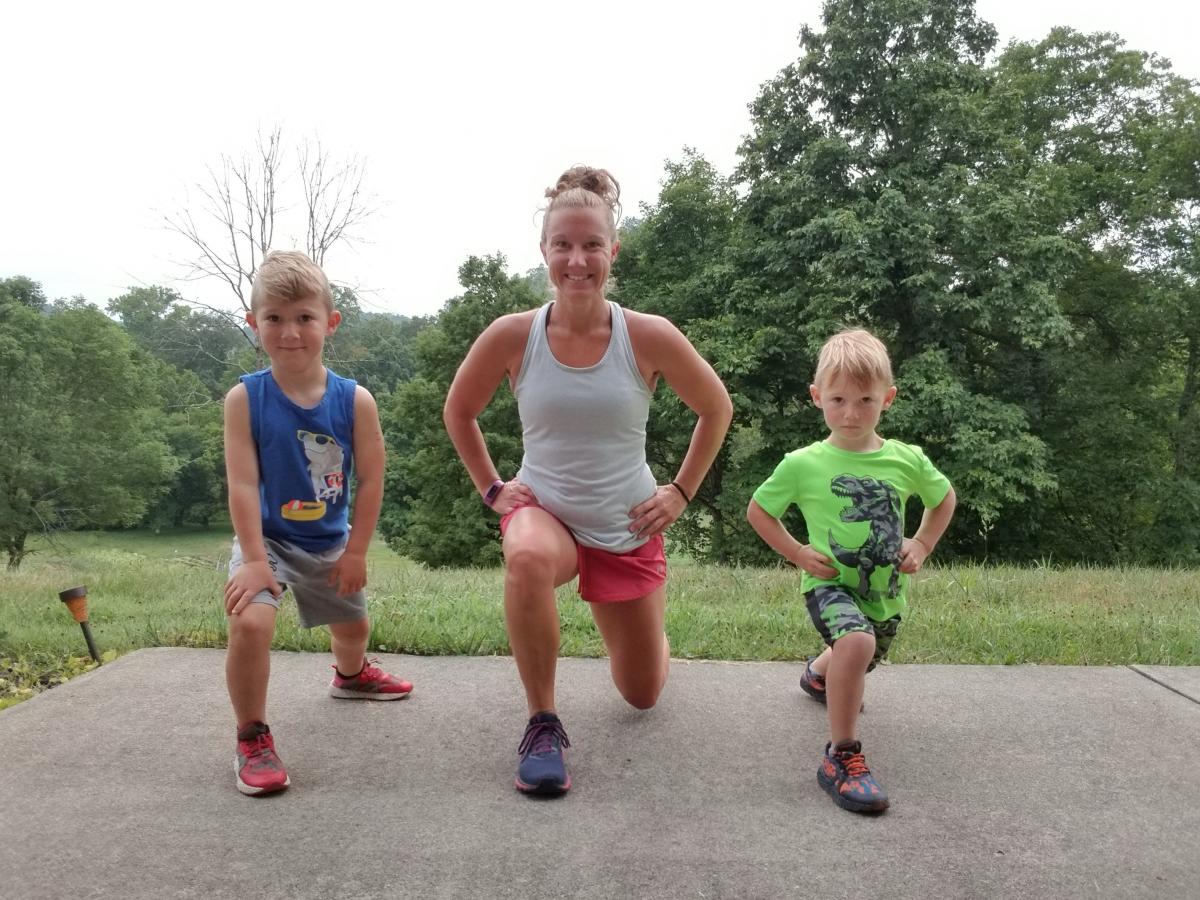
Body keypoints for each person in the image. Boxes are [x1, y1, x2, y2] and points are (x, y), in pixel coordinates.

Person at [443, 166, 732, 796]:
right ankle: (542, 723)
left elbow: (717, 408)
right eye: (563, 246)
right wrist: (494, 489)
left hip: (626, 525)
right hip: (545, 514)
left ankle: (651, 635)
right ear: (544, 252)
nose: (577, 260)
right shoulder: (514, 335)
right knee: (522, 557)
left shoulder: (647, 336)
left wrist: (679, 492)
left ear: (612, 250)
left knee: (642, 695)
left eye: (591, 245)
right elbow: (457, 411)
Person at [222, 250, 412, 796]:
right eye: (274, 318)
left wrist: (355, 552)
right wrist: (255, 561)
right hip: (269, 541)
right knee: (251, 623)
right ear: (253, 322)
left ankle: (350, 676)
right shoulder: (245, 400)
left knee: (351, 629)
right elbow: (242, 483)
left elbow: (371, 481)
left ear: (330, 322)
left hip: (330, 539)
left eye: (304, 317)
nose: (289, 332)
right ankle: (252, 736)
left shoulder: (355, 401)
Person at [746, 328, 956, 814]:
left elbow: (943, 498)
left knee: (864, 653)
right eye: (838, 399)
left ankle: (820, 676)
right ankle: (841, 758)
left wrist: (922, 541)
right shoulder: (802, 463)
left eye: (866, 400)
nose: (851, 413)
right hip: (828, 585)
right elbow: (759, 510)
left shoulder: (906, 459)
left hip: (885, 592)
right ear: (817, 397)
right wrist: (798, 553)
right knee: (856, 643)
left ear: (888, 399)